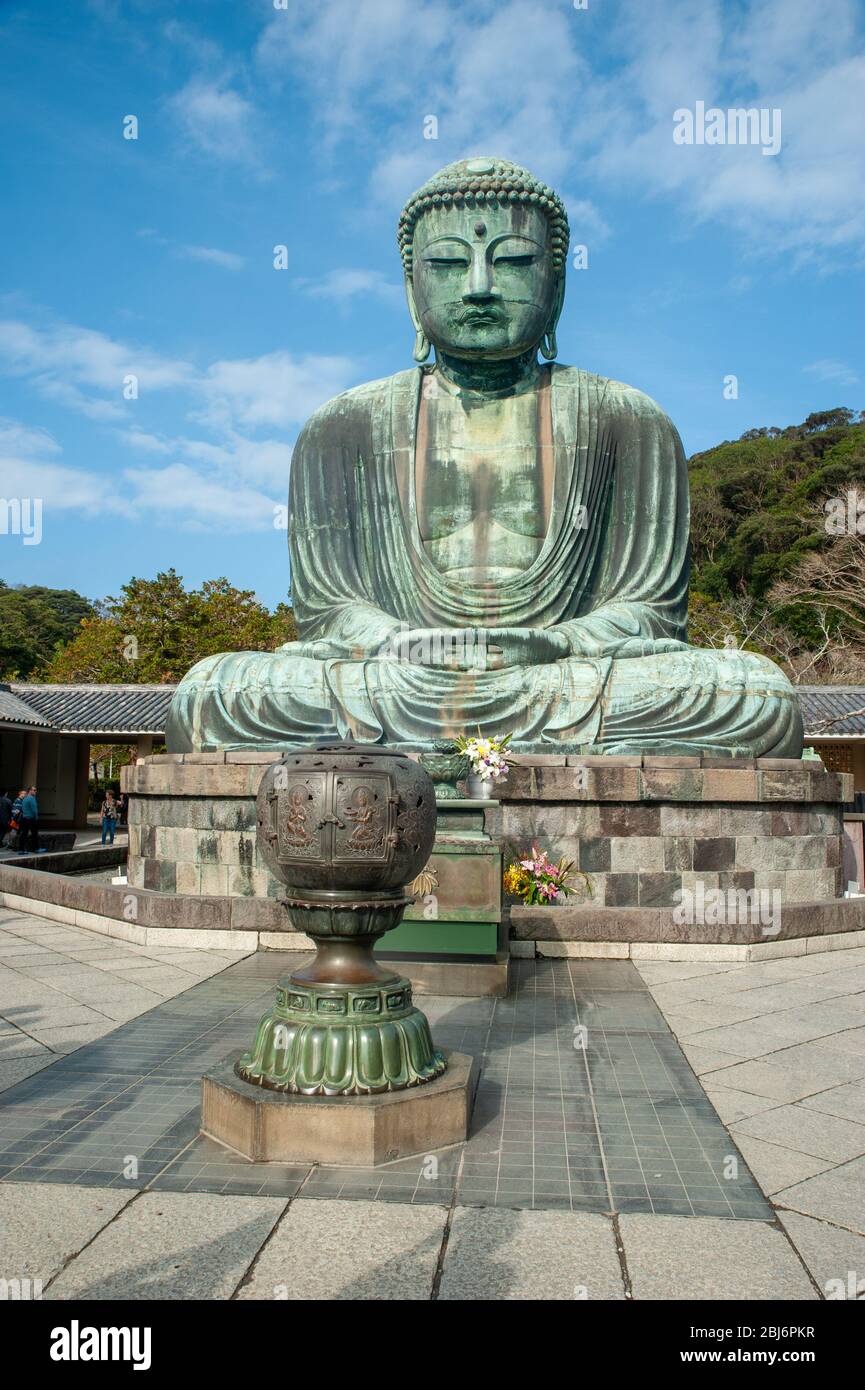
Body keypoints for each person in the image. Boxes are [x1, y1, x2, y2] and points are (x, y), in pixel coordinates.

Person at [165, 156, 802, 759]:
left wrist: (560, 641)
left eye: (514, 261)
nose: (479, 287)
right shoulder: (340, 428)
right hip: (397, 677)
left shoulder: (628, 420)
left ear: (556, 287)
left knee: (752, 695)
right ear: (412, 291)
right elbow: (329, 611)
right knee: (215, 693)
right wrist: (398, 642)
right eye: (447, 263)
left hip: (564, 676)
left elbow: (652, 613)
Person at [18, 786, 39, 854]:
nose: (36, 791)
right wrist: (36, 818)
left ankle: (21, 849)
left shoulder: (25, 798)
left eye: (36, 790)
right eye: (34, 790)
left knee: (24, 834)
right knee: (34, 834)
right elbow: (34, 810)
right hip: (31, 818)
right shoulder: (32, 798)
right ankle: (35, 849)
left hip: (24, 818)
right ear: (30, 791)